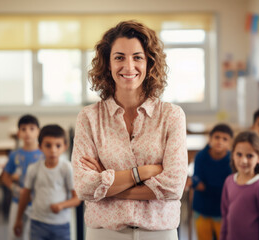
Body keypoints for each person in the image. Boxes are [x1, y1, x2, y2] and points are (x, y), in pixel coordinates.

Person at [72, 20, 188, 240]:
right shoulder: (89, 117)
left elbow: (173, 187)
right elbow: (84, 187)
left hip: (159, 232)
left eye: (137, 57)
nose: (128, 66)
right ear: (107, 63)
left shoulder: (172, 115)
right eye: (119, 57)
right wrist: (144, 173)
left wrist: (106, 187)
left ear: (149, 63)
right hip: (103, 233)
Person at [14, 124, 81, 240]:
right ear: (40, 147)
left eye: (58, 145)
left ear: (65, 146)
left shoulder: (67, 168)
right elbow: (25, 195)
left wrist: (61, 205)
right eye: (48, 145)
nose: (53, 150)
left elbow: (77, 199)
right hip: (37, 223)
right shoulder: (33, 169)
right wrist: (18, 219)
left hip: (61, 225)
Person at [220, 131, 259, 240]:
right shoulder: (229, 181)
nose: (243, 160)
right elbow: (225, 216)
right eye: (239, 154)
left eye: (249, 156)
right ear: (233, 155)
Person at [2, 114, 43, 240]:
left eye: (32, 128)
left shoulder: (44, 154)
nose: (27, 133)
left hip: (38, 203)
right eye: (23, 129)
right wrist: (13, 188)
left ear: (38, 132)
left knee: (35, 234)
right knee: (15, 233)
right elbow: (5, 176)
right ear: (18, 133)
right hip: (17, 201)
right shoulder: (15, 155)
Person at [190, 123, 233, 240]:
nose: (220, 141)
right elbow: (197, 180)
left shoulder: (232, 161)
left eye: (225, 139)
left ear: (229, 144)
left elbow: (228, 187)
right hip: (201, 208)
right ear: (210, 139)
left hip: (222, 210)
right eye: (217, 137)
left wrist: (204, 185)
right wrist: (199, 184)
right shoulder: (200, 156)